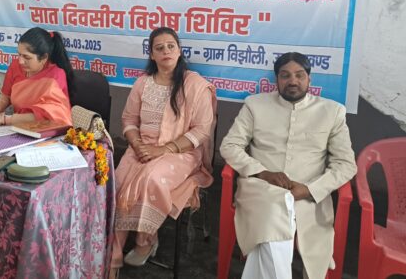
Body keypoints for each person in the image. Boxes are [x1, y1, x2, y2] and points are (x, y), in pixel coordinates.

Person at [220, 52, 357, 279]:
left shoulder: (332, 112)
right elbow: (230, 146)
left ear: (309, 79)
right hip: (261, 189)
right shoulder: (255, 105)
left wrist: (310, 189)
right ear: (277, 79)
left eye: (299, 75)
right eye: (285, 75)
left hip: (309, 196)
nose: (293, 81)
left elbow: (346, 164)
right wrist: (262, 173)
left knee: (272, 229)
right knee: (274, 217)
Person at [110, 27, 217, 278]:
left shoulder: (195, 85)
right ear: (152, 54)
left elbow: (202, 131)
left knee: (151, 178)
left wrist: (162, 149)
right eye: (159, 48)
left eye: (171, 46)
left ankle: (145, 240)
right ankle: (113, 253)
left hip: (180, 152)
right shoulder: (142, 83)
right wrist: (137, 145)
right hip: (142, 148)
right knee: (117, 181)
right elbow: (129, 120)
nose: (166, 51)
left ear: (179, 51)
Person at [0, 27, 74, 127]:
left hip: (44, 130)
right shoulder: (15, 66)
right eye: (19, 55)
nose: (21, 61)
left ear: (44, 58)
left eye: (27, 57)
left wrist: (4, 119)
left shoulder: (56, 75)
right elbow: (6, 96)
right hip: (16, 128)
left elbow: (49, 116)